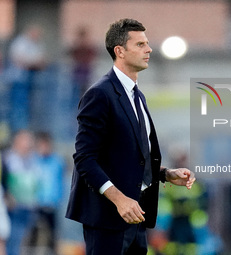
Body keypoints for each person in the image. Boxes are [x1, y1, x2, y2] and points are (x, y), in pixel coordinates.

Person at [65, 18, 196, 255]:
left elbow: (128, 158)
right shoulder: (99, 94)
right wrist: (119, 200)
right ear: (120, 51)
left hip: (136, 220)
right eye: (140, 44)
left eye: (147, 43)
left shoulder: (138, 97)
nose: (149, 49)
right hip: (108, 220)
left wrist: (165, 174)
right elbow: (85, 159)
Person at [3, 130, 39, 255]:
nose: (28, 144)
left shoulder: (32, 160)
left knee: (22, 242)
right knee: (12, 240)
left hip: (28, 207)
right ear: (17, 141)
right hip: (13, 208)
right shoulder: (8, 159)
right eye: (25, 141)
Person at [29, 131, 64, 253]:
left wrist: (56, 200)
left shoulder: (57, 162)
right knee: (32, 234)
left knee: (53, 235)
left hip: (51, 205)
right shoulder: (33, 161)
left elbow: (59, 183)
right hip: (35, 205)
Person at [7, 25, 46, 132]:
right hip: (19, 80)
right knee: (19, 107)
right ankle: (18, 130)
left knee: (30, 107)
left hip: (31, 79)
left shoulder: (37, 44)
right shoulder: (20, 43)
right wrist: (32, 62)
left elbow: (42, 61)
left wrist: (32, 62)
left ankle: (26, 130)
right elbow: (19, 59)